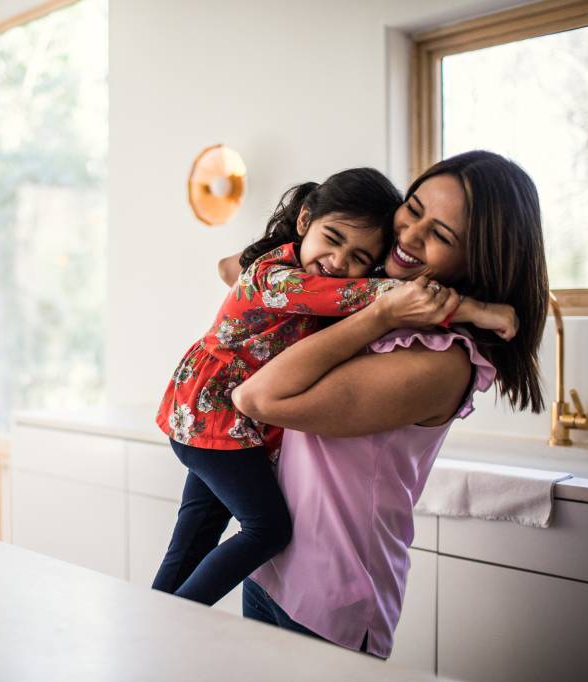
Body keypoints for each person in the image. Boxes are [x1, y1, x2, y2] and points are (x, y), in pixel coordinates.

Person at [224, 150, 548, 659]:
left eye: (441, 235)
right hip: (271, 569)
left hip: (331, 598)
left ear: (477, 261)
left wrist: (379, 314)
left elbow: (258, 397)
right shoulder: (375, 298)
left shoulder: (438, 361)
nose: (409, 235)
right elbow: (241, 276)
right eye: (413, 208)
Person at [152, 167, 516, 607]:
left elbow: (353, 290)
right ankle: (175, 618)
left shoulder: (298, 273)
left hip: (217, 421)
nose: (340, 263)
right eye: (334, 238)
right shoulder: (281, 278)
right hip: (213, 416)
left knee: (196, 532)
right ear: (305, 222)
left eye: (360, 257)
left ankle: (159, 613)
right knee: (265, 529)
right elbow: (365, 297)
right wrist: (474, 309)